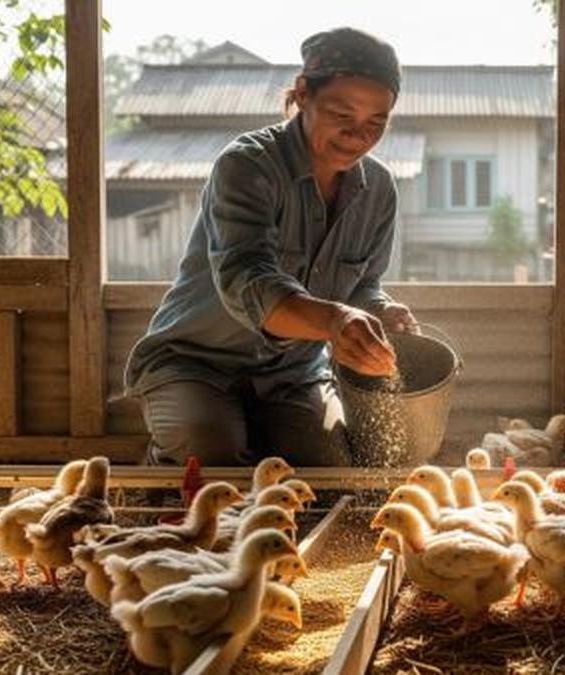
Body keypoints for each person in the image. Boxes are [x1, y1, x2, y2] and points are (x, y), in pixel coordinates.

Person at [124, 27, 417, 468]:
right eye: (343, 114)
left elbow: (362, 288)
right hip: (196, 361)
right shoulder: (247, 165)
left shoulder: (377, 189)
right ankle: (162, 482)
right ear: (303, 94)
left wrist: (379, 312)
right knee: (209, 452)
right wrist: (336, 319)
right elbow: (250, 281)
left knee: (329, 470)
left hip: (293, 375)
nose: (358, 135)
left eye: (376, 122)